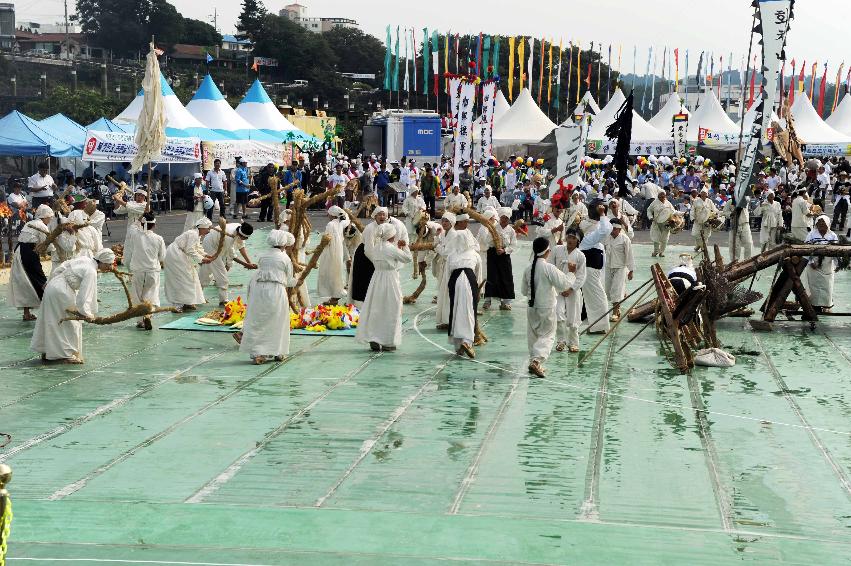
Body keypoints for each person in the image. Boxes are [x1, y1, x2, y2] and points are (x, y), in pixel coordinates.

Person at [30, 248, 116, 364]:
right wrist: (86, 313)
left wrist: (51, 281)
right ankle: (65, 355)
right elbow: (85, 295)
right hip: (62, 292)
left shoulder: (85, 260)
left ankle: (48, 351)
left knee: (51, 319)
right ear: (103, 262)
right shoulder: (91, 271)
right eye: (109, 264)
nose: (110, 268)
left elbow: (62, 267)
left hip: (54, 286)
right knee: (70, 324)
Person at [237, 230, 297, 364]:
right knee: (277, 320)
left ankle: (258, 352)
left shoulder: (263, 256)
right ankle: (276, 350)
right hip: (276, 290)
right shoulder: (285, 258)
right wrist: (297, 281)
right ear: (284, 243)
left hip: (259, 290)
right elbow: (288, 280)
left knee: (259, 319)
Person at [522, 237, 575, 377]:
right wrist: (571, 272)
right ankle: (537, 361)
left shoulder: (529, 268)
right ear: (547, 251)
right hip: (546, 306)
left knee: (533, 334)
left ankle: (534, 360)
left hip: (531, 306)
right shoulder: (548, 268)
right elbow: (564, 284)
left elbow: (523, 290)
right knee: (547, 335)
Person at [356, 223, 412, 352]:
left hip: (376, 279)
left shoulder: (377, 247)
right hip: (390, 279)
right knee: (391, 308)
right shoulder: (391, 249)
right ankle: (388, 341)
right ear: (391, 235)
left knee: (376, 308)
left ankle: (374, 338)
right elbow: (407, 259)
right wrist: (405, 247)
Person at [8, 204, 54, 321]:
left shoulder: (29, 223)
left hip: (19, 251)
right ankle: (49, 311)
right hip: (28, 253)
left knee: (24, 282)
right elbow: (46, 245)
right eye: (49, 217)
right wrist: (56, 250)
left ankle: (27, 313)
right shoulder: (42, 226)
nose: (50, 219)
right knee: (40, 280)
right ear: (45, 217)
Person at [446, 214, 481, 358]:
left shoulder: (451, 255)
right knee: (469, 311)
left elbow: (448, 273)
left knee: (455, 310)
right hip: (470, 279)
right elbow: (478, 273)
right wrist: (478, 290)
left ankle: (458, 345)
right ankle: (467, 341)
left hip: (455, 280)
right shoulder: (474, 254)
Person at [124, 212, 166, 330]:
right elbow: (162, 257)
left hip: (138, 270)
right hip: (152, 270)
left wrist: (142, 217)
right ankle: (148, 315)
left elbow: (133, 226)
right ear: (154, 225)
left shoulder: (135, 234)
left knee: (138, 296)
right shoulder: (159, 238)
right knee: (150, 294)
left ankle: (140, 320)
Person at [199, 222, 257, 305]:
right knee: (222, 274)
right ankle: (223, 300)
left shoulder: (239, 228)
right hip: (210, 245)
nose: (246, 239)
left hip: (217, 244)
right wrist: (245, 264)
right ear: (241, 235)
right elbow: (231, 255)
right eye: (246, 238)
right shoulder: (228, 237)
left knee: (206, 271)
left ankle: (197, 295)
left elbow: (241, 246)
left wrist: (249, 262)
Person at [164, 216, 214, 312]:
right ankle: (177, 305)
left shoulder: (196, 234)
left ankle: (188, 302)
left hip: (180, 253)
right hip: (175, 254)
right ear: (202, 228)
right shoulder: (193, 234)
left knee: (190, 277)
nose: (208, 231)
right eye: (208, 229)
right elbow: (190, 250)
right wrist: (202, 259)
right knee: (181, 278)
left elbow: (197, 247)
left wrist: (207, 255)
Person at [580, 205, 613, 334]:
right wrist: (603, 214)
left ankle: (599, 326)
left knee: (597, 297)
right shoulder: (587, 238)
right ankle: (597, 326)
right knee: (595, 298)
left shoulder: (593, 239)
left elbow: (607, 228)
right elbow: (604, 230)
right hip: (589, 272)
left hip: (594, 273)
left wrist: (602, 215)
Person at [553, 229, 586, 353]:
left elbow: (582, 276)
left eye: (573, 238)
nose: (570, 240)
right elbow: (551, 267)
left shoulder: (580, 255)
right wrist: (557, 285)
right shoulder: (557, 250)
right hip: (558, 288)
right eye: (569, 237)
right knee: (558, 313)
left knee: (573, 316)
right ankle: (561, 341)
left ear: (578, 240)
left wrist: (571, 289)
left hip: (573, 290)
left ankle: (573, 343)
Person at [483, 207, 517, 310]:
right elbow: (487, 241)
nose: (504, 220)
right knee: (492, 276)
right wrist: (495, 242)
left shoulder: (511, 230)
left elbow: (513, 245)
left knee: (506, 277)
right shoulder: (493, 227)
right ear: (500, 218)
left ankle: (505, 302)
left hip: (504, 256)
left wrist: (504, 250)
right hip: (493, 254)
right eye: (503, 218)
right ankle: (487, 300)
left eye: (506, 218)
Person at [804, 215, 839, 312]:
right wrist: (810, 262)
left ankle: (826, 305)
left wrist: (837, 265)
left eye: (823, 223)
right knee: (813, 286)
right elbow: (805, 249)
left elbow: (837, 252)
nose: (821, 224)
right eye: (819, 223)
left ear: (828, 224)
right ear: (816, 224)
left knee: (827, 286)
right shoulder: (811, 235)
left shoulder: (832, 236)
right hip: (813, 266)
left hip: (827, 266)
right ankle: (814, 306)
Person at [317, 205, 350, 305]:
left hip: (331, 250)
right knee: (337, 270)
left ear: (331, 214)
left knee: (329, 271)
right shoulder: (340, 222)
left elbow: (328, 239)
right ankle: (335, 295)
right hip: (339, 249)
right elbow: (347, 219)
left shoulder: (330, 224)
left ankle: (334, 294)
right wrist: (343, 213)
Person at [604, 219, 634, 321]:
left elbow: (629, 255)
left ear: (619, 229)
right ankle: (618, 305)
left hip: (620, 268)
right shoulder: (607, 238)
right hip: (608, 267)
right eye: (611, 229)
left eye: (615, 229)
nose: (612, 231)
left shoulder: (625, 239)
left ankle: (615, 312)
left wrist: (631, 270)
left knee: (616, 291)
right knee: (608, 290)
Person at [434, 212, 456, 329]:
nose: (444, 223)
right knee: (442, 292)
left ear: (452, 222)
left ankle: (449, 320)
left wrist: (438, 248)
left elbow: (446, 253)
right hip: (443, 266)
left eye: (446, 221)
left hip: (450, 267)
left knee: (448, 293)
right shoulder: (443, 234)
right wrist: (437, 238)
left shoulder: (454, 235)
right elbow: (437, 245)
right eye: (443, 221)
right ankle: (444, 319)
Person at [113, 186, 147, 254]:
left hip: (141, 229)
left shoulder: (146, 205)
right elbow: (117, 210)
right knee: (129, 249)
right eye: (138, 195)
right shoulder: (131, 203)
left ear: (144, 197)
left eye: (142, 196)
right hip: (130, 229)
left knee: (140, 249)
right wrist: (118, 199)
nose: (140, 197)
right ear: (135, 196)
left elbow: (130, 207)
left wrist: (118, 198)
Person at [721, 198, 754, 263]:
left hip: (745, 224)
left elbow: (747, 199)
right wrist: (731, 214)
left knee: (748, 243)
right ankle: (735, 262)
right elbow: (724, 211)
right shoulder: (730, 201)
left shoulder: (745, 199)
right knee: (735, 246)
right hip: (734, 224)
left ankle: (748, 260)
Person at [647, 190, 676, 257]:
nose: (662, 197)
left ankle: (661, 252)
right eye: (661, 195)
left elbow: (673, 211)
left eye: (664, 195)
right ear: (658, 196)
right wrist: (650, 217)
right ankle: (656, 252)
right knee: (656, 238)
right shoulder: (654, 203)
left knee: (665, 239)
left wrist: (680, 214)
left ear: (665, 196)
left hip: (666, 223)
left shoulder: (668, 203)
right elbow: (649, 210)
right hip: (656, 223)